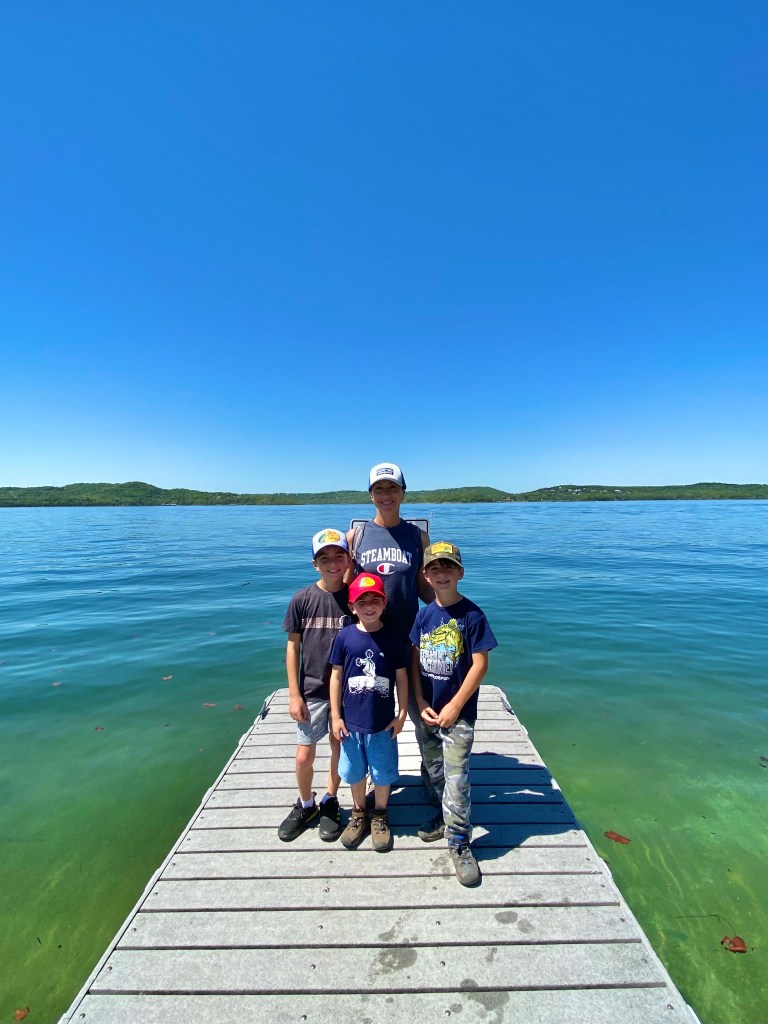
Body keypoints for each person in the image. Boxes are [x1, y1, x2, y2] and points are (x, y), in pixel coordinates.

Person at [410, 541, 498, 886]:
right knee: (434, 769)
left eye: (448, 567)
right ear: (425, 576)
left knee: (457, 776)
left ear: (460, 572)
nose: (441, 574)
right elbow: (414, 659)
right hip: (428, 711)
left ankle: (459, 840)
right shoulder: (424, 615)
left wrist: (456, 704)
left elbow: (480, 665)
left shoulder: (472, 615)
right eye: (434, 568)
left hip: (457, 713)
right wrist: (420, 701)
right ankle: (443, 814)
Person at [346, 462, 435, 795]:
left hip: (409, 641)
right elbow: (347, 591)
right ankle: (371, 779)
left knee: (419, 711)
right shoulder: (356, 536)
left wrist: (454, 613)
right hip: (370, 642)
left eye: (392, 488)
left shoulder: (418, 536)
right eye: (379, 489)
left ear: (403, 493)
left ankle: (432, 774)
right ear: (371, 495)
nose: (386, 495)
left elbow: (424, 590)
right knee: (369, 712)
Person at [278, 529, 352, 842]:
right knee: (303, 756)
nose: (332, 564)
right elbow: (293, 647)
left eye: (339, 556)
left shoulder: (355, 597)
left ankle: (330, 799)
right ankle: (306, 804)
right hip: (311, 691)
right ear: (314, 564)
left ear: (348, 559)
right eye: (325, 558)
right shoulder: (302, 599)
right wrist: (294, 694)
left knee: (338, 748)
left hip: (347, 693)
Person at [329, 572, 409, 852]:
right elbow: (336, 677)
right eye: (362, 601)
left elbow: (402, 678)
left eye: (375, 599)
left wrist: (402, 714)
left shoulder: (394, 637)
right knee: (354, 772)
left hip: (383, 724)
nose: (369, 606)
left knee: (383, 772)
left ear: (384, 603)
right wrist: (336, 716)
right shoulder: (344, 637)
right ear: (352, 607)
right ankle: (359, 812)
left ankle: (380, 814)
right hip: (350, 724)